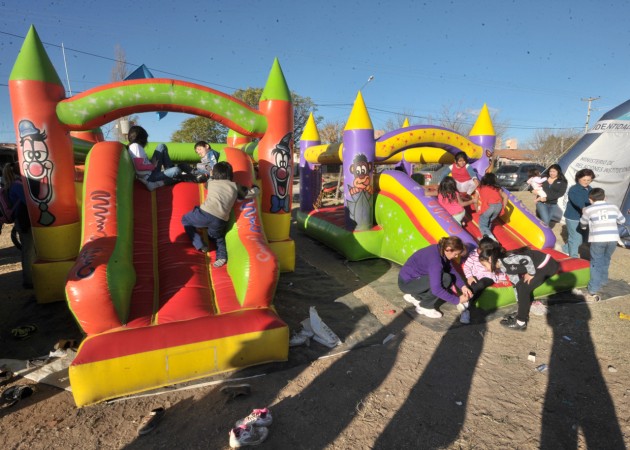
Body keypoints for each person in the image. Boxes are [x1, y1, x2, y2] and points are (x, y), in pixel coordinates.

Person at [181, 162, 259, 268]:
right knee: (217, 237)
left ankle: (199, 243)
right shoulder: (235, 186)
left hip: (204, 214)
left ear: (216, 173)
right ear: (230, 174)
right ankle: (221, 257)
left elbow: (206, 184)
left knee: (186, 220)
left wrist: (211, 175)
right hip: (220, 219)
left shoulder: (211, 182)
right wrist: (256, 187)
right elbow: (251, 193)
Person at [480, 246, 559, 331]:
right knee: (520, 287)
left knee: (524, 288)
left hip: (547, 264)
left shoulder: (507, 260)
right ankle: (521, 313)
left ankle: (520, 322)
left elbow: (526, 259)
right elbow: (516, 284)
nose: (485, 268)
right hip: (539, 266)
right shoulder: (503, 267)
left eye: (484, 265)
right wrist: (520, 305)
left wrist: (531, 273)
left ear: (490, 259)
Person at [399, 236, 473, 319]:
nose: (456, 256)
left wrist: (463, 286)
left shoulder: (440, 249)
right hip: (407, 283)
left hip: (411, 279)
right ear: (448, 248)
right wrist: (457, 300)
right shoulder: (435, 261)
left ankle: (415, 296)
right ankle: (424, 307)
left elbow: (452, 270)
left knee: (447, 276)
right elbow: (436, 289)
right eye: (455, 254)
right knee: (446, 279)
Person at [575, 187, 625, 302]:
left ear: (590, 199)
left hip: (598, 239)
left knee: (596, 263)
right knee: (606, 259)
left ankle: (593, 288)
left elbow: (583, 223)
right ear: (605, 197)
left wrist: (584, 227)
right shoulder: (613, 207)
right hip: (612, 239)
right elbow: (622, 221)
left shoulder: (589, 209)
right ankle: (603, 281)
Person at [460, 236, 509, 324]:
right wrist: (469, 276)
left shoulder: (493, 257)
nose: (478, 251)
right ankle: (467, 306)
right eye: (478, 248)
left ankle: (465, 304)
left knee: (481, 284)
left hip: (489, 276)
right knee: (474, 285)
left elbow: (500, 268)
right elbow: (467, 266)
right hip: (476, 275)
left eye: (481, 250)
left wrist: (501, 278)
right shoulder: (473, 254)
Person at [2, 162, 35, 289]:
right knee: (28, 250)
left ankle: (30, 278)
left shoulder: (12, 185)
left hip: (20, 221)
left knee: (28, 249)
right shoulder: (17, 185)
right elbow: (29, 201)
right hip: (24, 221)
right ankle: (29, 281)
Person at [126, 125, 187, 190]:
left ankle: (169, 170)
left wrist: (151, 163)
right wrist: (153, 166)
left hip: (151, 171)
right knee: (176, 170)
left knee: (161, 146)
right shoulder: (135, 146)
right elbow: (139, 166)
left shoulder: (136, 146)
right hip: (149, 177)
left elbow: (143, 162)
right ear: (142, 138)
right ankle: (159, 183)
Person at [562, 168, 595, 258]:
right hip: (573, 217)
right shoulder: (574, 189)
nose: (586, 182)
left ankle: (565, 249)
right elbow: (578, 202)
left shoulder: (590, 189)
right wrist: (583, 208)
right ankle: (574, 257)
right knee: (575, 238)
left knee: (583, 239)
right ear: (578, 178)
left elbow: (594, 200)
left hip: (585, 217)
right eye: (584, 179)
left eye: (589, 180)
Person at [476, 173, 508, 241]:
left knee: (482, 225)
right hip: (498, 206)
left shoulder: (480, 187)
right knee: (489, 222)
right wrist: (503, 207)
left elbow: (475, 200)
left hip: (489, 206)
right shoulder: (497, 188)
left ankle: (492, 240)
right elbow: (505, 197)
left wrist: (477, 209)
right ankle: (486, 238)